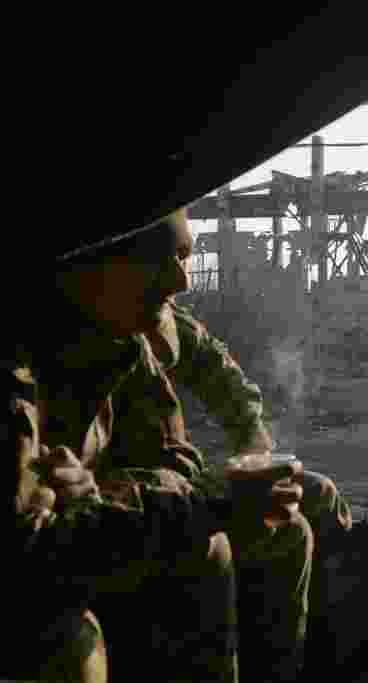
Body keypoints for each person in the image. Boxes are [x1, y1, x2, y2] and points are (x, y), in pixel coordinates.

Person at [6, 208, 304, 683]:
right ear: (88, 262)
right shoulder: (16, 364)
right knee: (71, 642)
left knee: (293, 524)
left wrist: (238, 462)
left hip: (86, 532)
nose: (182, 281)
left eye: (185, 256)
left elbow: (171, 447)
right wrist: (208, 505)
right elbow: (26, 553)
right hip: (33, 585)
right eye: (160, 258)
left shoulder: (124, 336)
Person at [105, 299, 368, 679]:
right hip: (135, 500)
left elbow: (209, 361)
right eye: (170, 258)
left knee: (319, 495)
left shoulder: (152, 311)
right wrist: (211, 495)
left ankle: (335, 657)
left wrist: (250, 434)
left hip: (175, 482)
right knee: (288, 529)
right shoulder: (83, 338)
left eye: (183, 258)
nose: (181, 278)